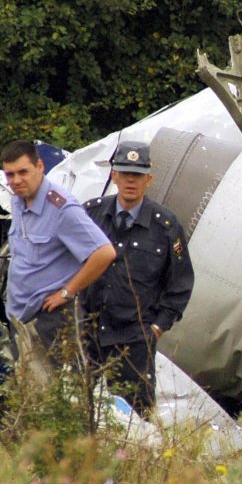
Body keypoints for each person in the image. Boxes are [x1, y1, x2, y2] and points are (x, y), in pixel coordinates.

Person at [83, 141, 194, 415]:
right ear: (114, 176)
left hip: (134, 342)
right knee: (80, 416)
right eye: (124, 173)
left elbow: (180, 284)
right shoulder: (90, 214)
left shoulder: (165, 225)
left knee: (135, 422)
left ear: (149, 180)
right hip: (87, 335)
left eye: (138, 175)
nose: (130, 181)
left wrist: (156, 329)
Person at [1, 140, 116, 383]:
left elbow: (104, 253)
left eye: (23, 172)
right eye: (10, 175)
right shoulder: (18, 201)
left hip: (52, 318)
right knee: (29, 397)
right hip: (20, 317)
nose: (16, 180)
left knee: (65, 395)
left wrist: (67, 292)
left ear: (40, 166)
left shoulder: (62, 208)